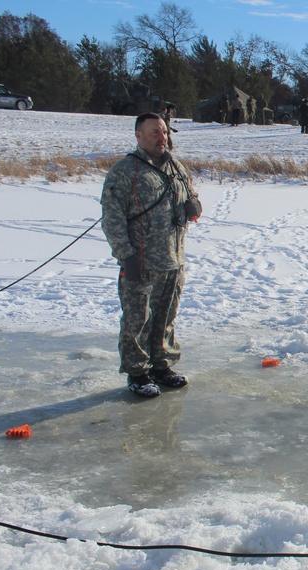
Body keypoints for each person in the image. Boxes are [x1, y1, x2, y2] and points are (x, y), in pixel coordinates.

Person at [100, 112, 202, 398]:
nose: (162, 138)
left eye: (164, 132)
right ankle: (137, 372)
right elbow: (112, 218)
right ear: (139, 136)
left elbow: (191, 197)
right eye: (155, 132)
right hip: (141, 262)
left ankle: (161, 365)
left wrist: (194, 206)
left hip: (173, 260)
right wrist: (126, 256)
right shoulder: (124, 171)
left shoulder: (176, 167)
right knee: (137, 320)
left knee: (165, 318)